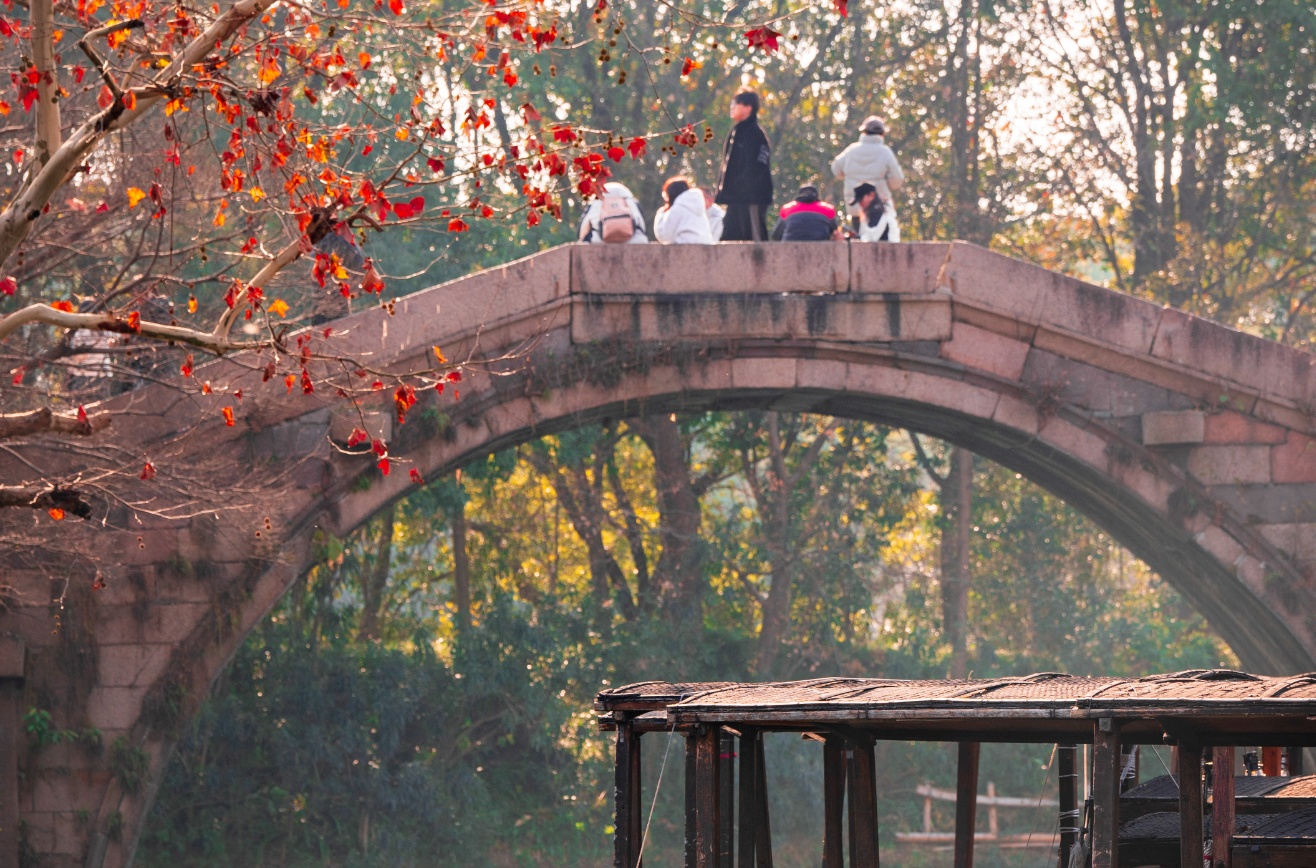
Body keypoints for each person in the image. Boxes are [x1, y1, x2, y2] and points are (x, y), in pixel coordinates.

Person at [830, 115, 904, 240]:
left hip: (856, 206)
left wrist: (848, 176)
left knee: (861, 239)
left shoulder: (851, 150)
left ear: (863, 132)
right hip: (879, 207)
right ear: (882, 133)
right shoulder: (885, 152)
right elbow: (897, 180)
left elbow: (835, 169)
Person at [714, 88, 773, 241]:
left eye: (736, 103)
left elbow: (759, 167)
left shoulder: (756, 134)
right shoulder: (736, 131)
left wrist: (746, 188)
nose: (732, 107)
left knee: (755, 239)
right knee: (728, 238)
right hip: (735, 199)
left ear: (748, 108)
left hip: (751, 198)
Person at [578, 181, 649, 243]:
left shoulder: (596, 203)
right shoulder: (631, 202)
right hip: (634, 240)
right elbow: (641, 224)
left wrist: (582, 240)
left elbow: (584, 227)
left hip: (598, 240)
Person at [653, 176, 715, 244]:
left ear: (670, 195)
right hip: (705, 247)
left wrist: (660, 214)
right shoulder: (699, 207)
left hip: (684, 248)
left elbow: (665, 236)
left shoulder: (677, 209)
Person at [770, 185, 841, 241]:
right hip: (821, 250)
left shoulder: (787, 209)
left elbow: (775, 236)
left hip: (789, 250)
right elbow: (835, 234)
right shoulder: (828, 209)